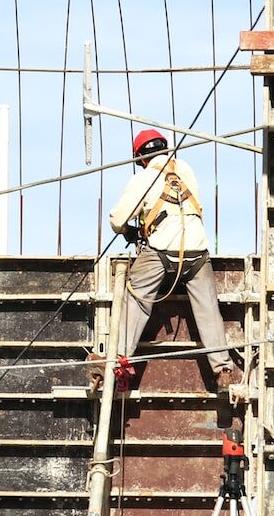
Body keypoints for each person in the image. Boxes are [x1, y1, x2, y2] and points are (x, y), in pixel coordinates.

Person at [99, 129, 237, 392]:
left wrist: (131, 231)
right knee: (209, 310)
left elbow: (117, 220)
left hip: (162, 252)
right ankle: (223, 369)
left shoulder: (146, 177)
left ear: (140, 158)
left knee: (136, 297)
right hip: (197, 253)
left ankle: (119, 361)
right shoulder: (186, 170)